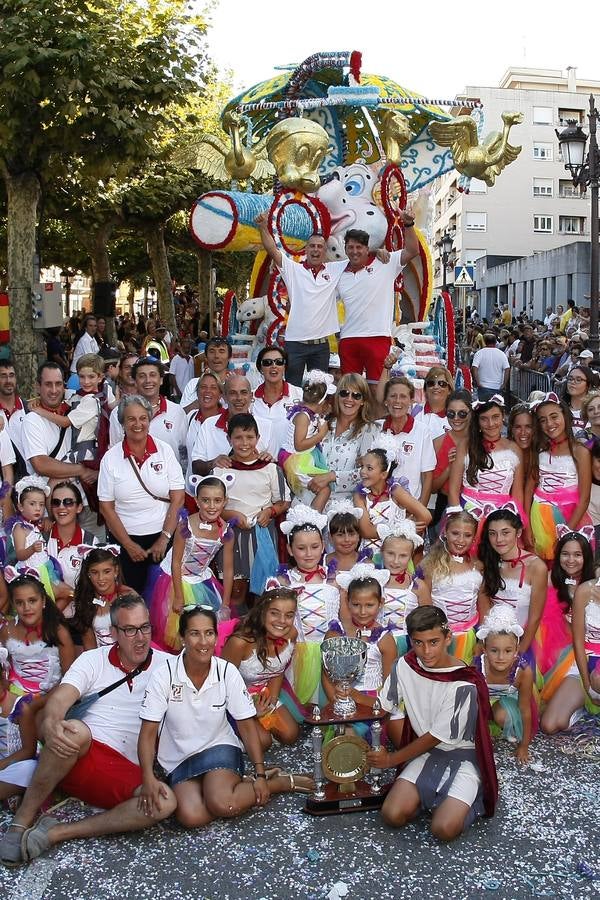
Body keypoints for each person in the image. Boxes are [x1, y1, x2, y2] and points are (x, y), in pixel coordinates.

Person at [0, 595, 176, 866]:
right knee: (73, 731)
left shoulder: (169, 666)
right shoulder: (93, 660)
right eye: (130, 630)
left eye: (145, 627)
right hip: (76, 751)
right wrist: (51, 722)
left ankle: (56, 833)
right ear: (115, 633)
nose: (140, 637)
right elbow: (61, 698)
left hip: (121, 769)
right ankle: (21, 823)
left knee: (165, 802)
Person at [138, 606, 312, 830]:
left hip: (218, 745)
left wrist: (259, 773)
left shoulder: (227, 671)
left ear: (216, 636)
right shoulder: (164, 675)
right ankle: (240, 783)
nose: (203, 642)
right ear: (182, 638)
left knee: (223, 804)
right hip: (179, 757)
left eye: (209, 633)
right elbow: (148, 732)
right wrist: (148, 778)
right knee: (192, 817)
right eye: (194, 634)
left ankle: (276, 783)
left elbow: (247, 727)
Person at [370, 606, 498, 840]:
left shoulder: (463, 683)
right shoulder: (405, 666)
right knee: (392, 814)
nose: (426, 651)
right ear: (410, 640)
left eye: (433, 642)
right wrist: (345, 699)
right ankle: (429, 798)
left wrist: (390, 759)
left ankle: (468, 797)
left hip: (462, 757)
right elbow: (382, 705)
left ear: (448, 638)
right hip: (426, 755)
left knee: (443, 830)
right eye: (418, 643)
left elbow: (435, 737)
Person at [98, 395, 185, 594]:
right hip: (125, 540)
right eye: (131, 419)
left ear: (149, 419)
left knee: (164, 598)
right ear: (122, 423)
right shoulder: (110, 459)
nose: (138, 424)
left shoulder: (165, 450)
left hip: (164, 535)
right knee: (131, 598)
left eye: (143, 418)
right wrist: (128, 545)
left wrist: (164, 538)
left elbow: (178, 497)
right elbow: (106, 507)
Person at [256, 213, 349, 386]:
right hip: (295, 344)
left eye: (320, 247)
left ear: (325, 250)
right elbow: (272, 250)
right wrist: (263, 227)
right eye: (312, 246)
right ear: (306, 250)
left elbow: (359, 257)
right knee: (292, 388)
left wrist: (379, 251)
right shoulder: (293, 269)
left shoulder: (335, 269)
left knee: (319, 389)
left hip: (321, 346)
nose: (316, 250)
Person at [148, 475, 235, 652]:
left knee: (206, 627)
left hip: (201, 580)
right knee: (178, 632)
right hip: (175, 580)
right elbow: (176, 562)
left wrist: (225, 603)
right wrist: (179, 596)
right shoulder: (185, 527)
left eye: (217, 500)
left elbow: (227, 569)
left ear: (225, 501)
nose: (212, 506)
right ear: (196, 501)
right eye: (206, 500)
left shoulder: (226, 531)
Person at [214, 414, 290, 602]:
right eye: (238, 438)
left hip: (262, 535)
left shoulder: (270, 468)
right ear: (229, 438)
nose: (244, 443)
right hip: (232, 537)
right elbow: (212, 505)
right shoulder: (221, 470)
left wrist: (270, 512)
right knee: (235, 590)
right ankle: (234, 628)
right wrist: (229, 514)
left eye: (249, 437)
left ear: (258, 438)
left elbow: (284, 501)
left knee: (264, 591)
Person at [269, 505, 340, 705]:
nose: (309, 554)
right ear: (290, 549)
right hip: (296, 654)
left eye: (315, 546)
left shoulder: (335, 580)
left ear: (323, 545)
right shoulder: (282, 583)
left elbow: (344, 619)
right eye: (301, 548)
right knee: (301, 706)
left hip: (329, 654)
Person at [336, 223, 419, 385]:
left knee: (377, 389)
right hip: (348, 339)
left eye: (359, 247)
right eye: (350, 247)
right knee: (350, 391)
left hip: (377, 337)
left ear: (367, 249)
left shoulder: (385, 262)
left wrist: (408, 224)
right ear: (345, 249)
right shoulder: (338, 271)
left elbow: (412, 251)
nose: (354, 251)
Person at [222, 588, 302, 748]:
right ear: (262, 612)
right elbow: (222, 684)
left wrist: (270, 702)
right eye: (274, 613)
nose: (282, 621)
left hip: (261, 693)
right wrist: (249, 710)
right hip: (233, 698)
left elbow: (277, 672)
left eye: (289, 615)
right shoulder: (240, 643)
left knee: (291, 734)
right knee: (262, 743)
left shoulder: (291, 634)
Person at [22, 362, 98, 530]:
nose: (54, 390)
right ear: (38, 386)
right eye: (48, 384)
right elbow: (41, 464)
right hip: (55, 508)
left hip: (87, 502)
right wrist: (82, 470)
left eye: (58, 384)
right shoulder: (32, 420)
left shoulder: (74, 407)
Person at [448, 396, 525, 542]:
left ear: (503, 416)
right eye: (484, 418)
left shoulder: (514, 448)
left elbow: (517, 494)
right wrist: (458, 520)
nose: (491, 424)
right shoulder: (465, 445)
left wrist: (514, 522)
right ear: (477, 421)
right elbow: (453, 490)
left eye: (495, 417)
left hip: (502, 515)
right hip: (469, 510)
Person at [528, 394, 592, 565]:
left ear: (565, 414)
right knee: (544, 566)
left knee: (567, 565)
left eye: (554, 416)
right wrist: (527, 525)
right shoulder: (539, 450)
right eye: (542, 420)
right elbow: (529, 489)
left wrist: (567, 531)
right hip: (539, 517)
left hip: (570, 517)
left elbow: (584, 498)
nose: (549, 424)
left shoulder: (580, 451)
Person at [415, 510, 483, 664]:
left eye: (467, 535)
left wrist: (482, 638)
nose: (460, 540)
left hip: (469, 635)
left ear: (474, 538)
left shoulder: (477, 565)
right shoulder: (430, 565)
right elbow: (424, 605)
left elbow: (482, 604)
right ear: (445, 532)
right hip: (439, 637)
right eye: (455, 533)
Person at [478, 509, 547, 658]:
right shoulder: (487, 562)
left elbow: (535, 617)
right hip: (491, 643)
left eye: (505, 532)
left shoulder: (537, 567)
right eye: (492, 533)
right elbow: (484, 610)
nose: (498, 539)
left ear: (519, 533)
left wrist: (519, 653)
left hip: (523, 642)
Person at [325, 566, 397, 708]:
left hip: (374, 702)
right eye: (356, 605)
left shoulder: (385, 639)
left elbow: (390, 686)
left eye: (369, 605)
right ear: (347, 602)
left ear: (380, 603)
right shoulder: (336, 633)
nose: (362, 612)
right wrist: (338, 704)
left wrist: (360, 698)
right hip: (340, 699)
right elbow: (326, 677)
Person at [540, 566, 600, 732]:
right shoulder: (585, 590)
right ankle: (581, 707)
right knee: (549, 725)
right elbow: (578, 641)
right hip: (583, 660)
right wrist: (587, 684)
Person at [305, 374, 378, 506]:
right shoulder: (320, 422)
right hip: (306, 498)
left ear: (363, 401)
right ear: (337, 396)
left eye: (356, 395)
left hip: (342, 510)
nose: (349, 399)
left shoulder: (369, 430)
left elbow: (370, 474)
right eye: (344, 393)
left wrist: (332, 476)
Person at [0, 570, 75, 697]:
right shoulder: (6, 630)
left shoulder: (59, 632)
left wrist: (39, 704)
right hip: (15, 695)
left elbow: (70, 680)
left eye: (32, 601)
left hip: (51, 697)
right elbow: (5, 670)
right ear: (13, 604)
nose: (26, 608)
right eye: (19, 602)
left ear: (43, 601)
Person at [475, 606, 535, 764]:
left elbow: (525, 710)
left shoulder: (523, 671)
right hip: (481, 702)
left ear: (516, 649)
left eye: (508, 651)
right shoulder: (477, 667)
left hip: (509, 699)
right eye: (494, 651)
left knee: (503, 717)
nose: (501, 657)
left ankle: (503, 724)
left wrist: (524, 746)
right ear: (484, 649)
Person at [354, 438, 431, 552]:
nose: (362, 471)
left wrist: (409, 528)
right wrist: (399, 528)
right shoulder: (359, 495)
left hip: (395, 554)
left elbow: (426, 516)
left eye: (369, 468)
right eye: (362, 466)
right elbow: (366, 531)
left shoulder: (395, 491)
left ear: (384, 474)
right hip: (367, 554)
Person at [108, 357, 187, 462]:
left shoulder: (177, 412)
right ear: (135, 381)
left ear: (161, 380)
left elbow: (184, 454)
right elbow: (115, 453)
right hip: (131, 476)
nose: (148, 380)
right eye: (142, 376)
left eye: (153, 375)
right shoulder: (119, 413)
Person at [191, 376, 272, 477]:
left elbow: (275, 463)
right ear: (224, 396)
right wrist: (212, 463)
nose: (239, 398)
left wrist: (268, 458)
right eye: (233, 393)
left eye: (243, 392)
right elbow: (195, 466)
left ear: (251, 396)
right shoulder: (209, 425)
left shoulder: (266, 426)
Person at [374, 374, 436, 508]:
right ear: (386, 400)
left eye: (403, 396)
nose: (397, 401)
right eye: (393, 396)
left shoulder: (422, 431)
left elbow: (427, 476)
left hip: (410, 508)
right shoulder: (375, 428)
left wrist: (420, 512)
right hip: (378, 508)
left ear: (411, 401)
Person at [278, 369, 335, 510]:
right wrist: (320, 435)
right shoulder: (303, 416)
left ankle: (310, 510)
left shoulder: (310, 415)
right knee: (324, 489)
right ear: (323, 402)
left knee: (325, 483)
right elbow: (299, 445)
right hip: (296, 460)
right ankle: (313, 517)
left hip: (304, 457)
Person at [46, 481, 96, 618]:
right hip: (43, 623)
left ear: (79, 507)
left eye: (68, 502)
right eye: (56, 502)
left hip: (80, 621)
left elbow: (96, 587)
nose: (61, 507)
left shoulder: (90, 542)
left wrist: (69, 594)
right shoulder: (40, 539)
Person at [72, 546, 134, 648]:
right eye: (94, 572)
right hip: (100, 659)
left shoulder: (129, 596)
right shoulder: (85, 601)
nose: (101, 578)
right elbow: (90, 647)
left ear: (116, 571)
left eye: (107, 571)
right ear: (88, 573)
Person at [430, 389, 472, 531]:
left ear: (471, 413)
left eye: (462, 413)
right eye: (451, 413)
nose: (456, 418)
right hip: (445, 504)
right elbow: (432, 488)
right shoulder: (438, 443)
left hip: (475, 505)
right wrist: (450, 468)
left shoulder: (480, 442)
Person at [378, 521, 424, 652]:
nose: (395, 561)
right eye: (390, 554)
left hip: (407, 646)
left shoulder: (418, 586)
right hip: (378, 644)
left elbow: (427, 620)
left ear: (411, 556)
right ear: (382, 551)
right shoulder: (373, 581)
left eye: (403, 556)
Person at [471, 333, 510, 402]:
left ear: (485, 342)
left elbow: (474, 368)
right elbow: (507, 369)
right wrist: (504, 384)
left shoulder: (480, 353)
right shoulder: (501, 354)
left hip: (483, 386)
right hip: (497, 386)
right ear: (495, 342)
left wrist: (478, 382)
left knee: (484, 409)